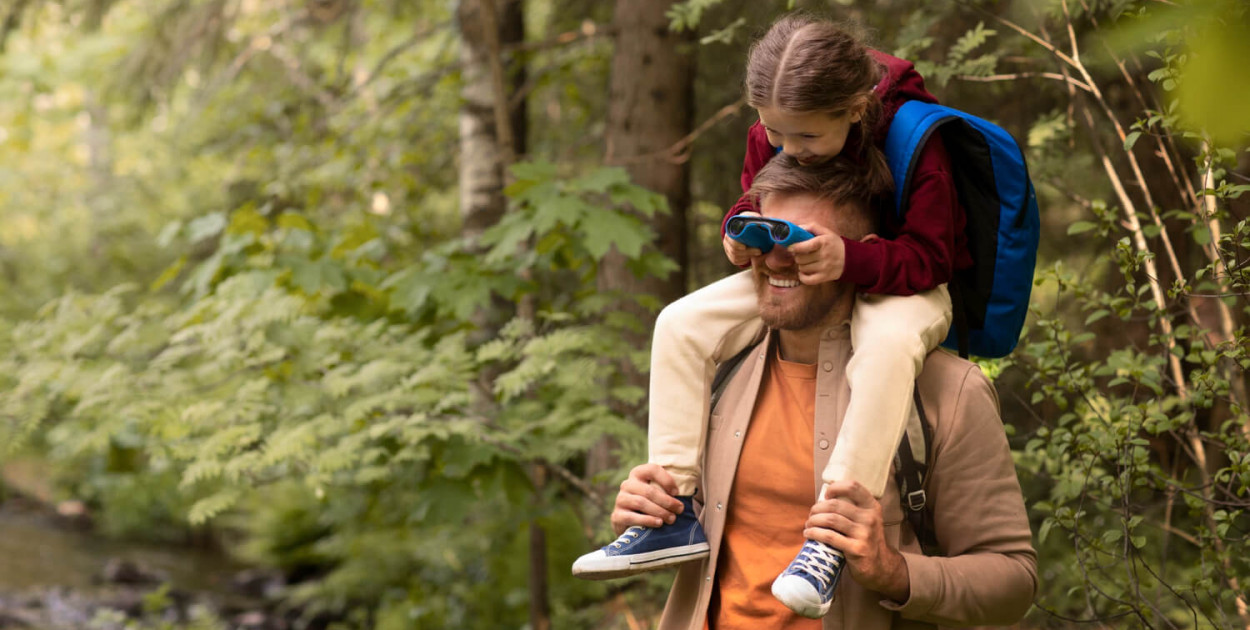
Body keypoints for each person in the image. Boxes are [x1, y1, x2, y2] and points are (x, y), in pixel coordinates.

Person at [573, 12, 968, 617]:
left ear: (855, 108)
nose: (789, 150)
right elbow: (756, 192)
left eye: (806, 138)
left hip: (896, 283)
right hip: (803, 272)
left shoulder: (914, 132)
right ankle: (671, 513)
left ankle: (831, 540)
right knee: (679, 322)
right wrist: (740, 232)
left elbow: (934, 256)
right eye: (775, 133)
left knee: (887, 346)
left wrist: (851, 259)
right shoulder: (778, 131)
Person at [619, 155, 1037, 628]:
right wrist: (654, 509)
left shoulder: (948, 392)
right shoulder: (716, 368)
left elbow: (1013, 581)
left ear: (866, 252)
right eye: (762, 234)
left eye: (801, 242)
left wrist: (893, 571)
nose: (775, 259)